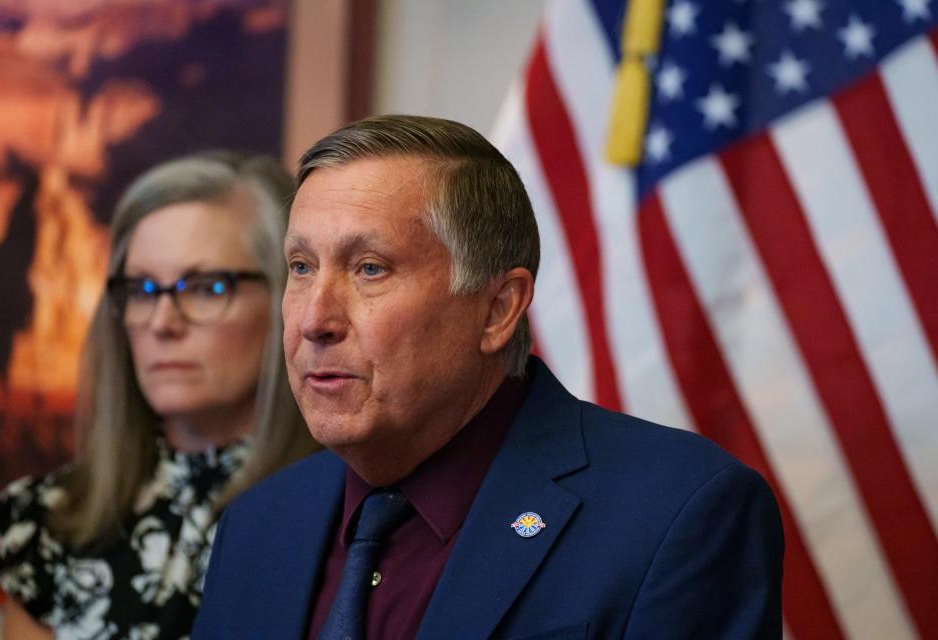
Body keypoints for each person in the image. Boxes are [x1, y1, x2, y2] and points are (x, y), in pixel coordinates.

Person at [193, 116, 784, 639]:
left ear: (499, 308)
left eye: (370, 268)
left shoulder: (677, 513)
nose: (315, 319)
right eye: (301, 267)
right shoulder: (258, 523)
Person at [0, 151, 319, 640]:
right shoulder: (53, 521)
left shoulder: (346, 515)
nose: (161, 322)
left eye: (206, 287)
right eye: (141, 290)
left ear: (287, 299)